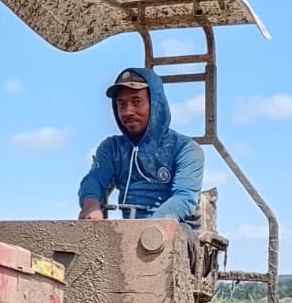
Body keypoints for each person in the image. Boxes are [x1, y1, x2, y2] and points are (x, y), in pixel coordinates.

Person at [78, 67, 204, 224]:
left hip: (174, 229)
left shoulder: (186, 149)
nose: (127, 111)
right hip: (129, 230)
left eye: (137, 102)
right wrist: (91, 205)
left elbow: (184, 196)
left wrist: (150, 227)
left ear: (155, 104)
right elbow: (94, 179)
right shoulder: (112, 148)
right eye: (121, 104)